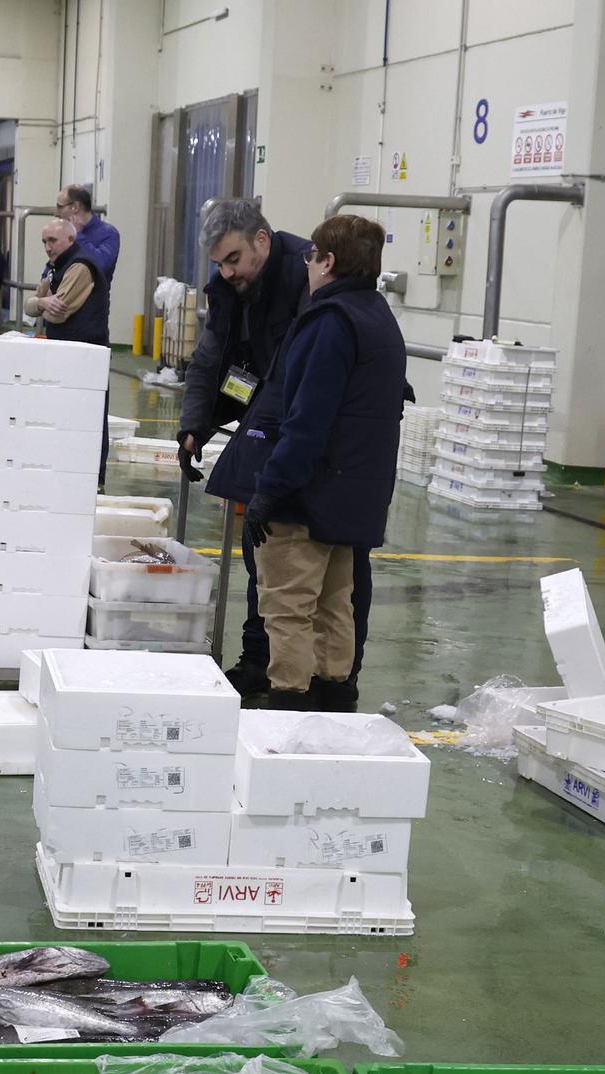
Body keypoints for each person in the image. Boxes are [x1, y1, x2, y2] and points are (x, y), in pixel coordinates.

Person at [185, 199, 375, 703]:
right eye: (218, 265)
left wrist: (269, 481)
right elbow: (212, 356)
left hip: (309, 454)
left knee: (298, 587)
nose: (226, 273)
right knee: (311, 584)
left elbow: (305, 403)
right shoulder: (350, 308)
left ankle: (294, 690)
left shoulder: (322, 305)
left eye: (232, 259)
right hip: (299, 444)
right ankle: (291, 675)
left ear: (263, 243)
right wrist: (195, 424)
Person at [242, 215, 406, 712]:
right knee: (337, 604)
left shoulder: (328, 321)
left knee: (288, 607)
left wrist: (269, 489)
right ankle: (336, 700)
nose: (308, 265)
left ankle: (288, 706)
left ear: (328, 262)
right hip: (355, 496)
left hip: (308, 496)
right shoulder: (378, 317)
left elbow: (306, 421)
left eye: (312, 257)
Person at [34, 217, 112, 482]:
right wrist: (42, 302)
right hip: (65, 352)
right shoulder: (54, 267)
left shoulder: (80, 266)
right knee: (63, 416)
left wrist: (41, 304)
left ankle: (92, 478)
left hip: (86, 354)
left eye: (52, 240)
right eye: (44, 241)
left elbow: (58, 313)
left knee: (88, 419)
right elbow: (31, 305)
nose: (47, 246)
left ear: (70, 239)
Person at [55, 184, 120, 280]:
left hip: (92, 294)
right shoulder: (64, 230)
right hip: (61, 292)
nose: (56, 213)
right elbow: (52, 267)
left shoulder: (109, 233)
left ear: (75, 207)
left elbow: (100, 265)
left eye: (59, 206)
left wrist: (77, 235)